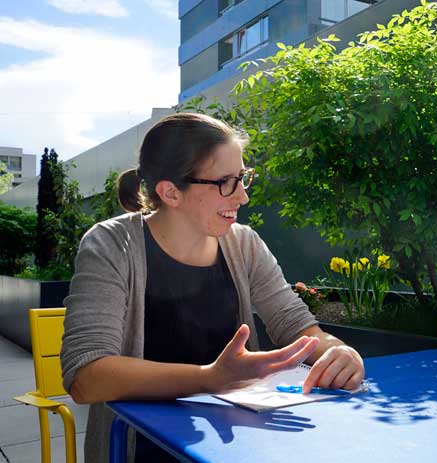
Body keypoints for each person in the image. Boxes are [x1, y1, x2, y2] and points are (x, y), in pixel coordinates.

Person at [60, 113, 365, 462]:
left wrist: (338, 351)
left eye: (243, 178)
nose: (243, 197)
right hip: (141, 448)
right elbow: (86, 375)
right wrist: (209, 378)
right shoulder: (113, 245)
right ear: (171, 192)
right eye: (226, 183)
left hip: (237, 446)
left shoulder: (245, 244)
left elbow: (297, 326)